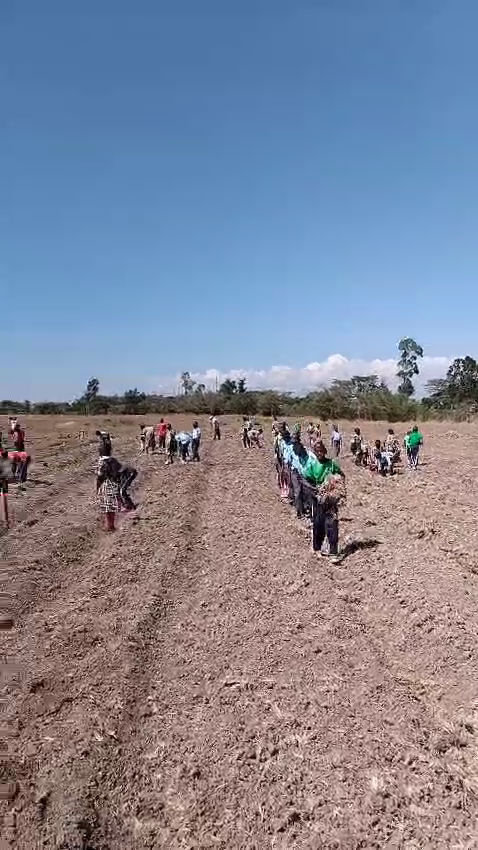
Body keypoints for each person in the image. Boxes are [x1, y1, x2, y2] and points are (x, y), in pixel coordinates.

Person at [303, 441, 345, 560]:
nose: (320, 453)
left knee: (332, 524)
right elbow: (305, 479)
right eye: (317, 451)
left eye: (321, 451)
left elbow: (341, 475)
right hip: (318, 499)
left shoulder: (331, 464)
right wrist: (315, 490)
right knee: (318, 524)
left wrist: (337, 487)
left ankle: (333, 552)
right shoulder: (312, 464)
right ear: (315, 452)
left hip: (331, 499)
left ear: (325, 451)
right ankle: (317, 548)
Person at [96, 454, 121, 532]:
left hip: (106, 485)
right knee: (111, 506)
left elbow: (100, 477)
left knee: (107, 506)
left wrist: (97, 488)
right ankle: (111, 525)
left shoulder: (102, 461)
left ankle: (109, 525)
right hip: (114, 484)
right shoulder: (114, 460)